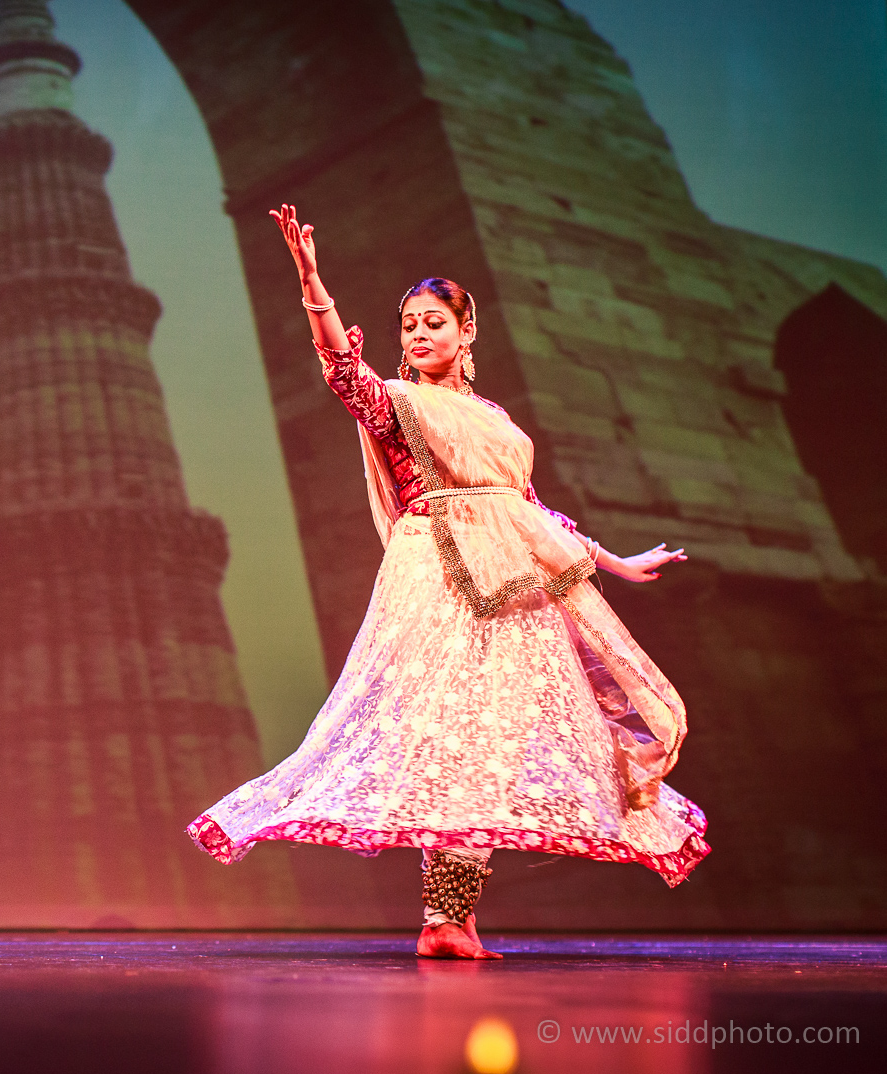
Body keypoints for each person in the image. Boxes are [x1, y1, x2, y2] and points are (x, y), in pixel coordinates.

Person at [186, 204, 709, 959]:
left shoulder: (494, 419)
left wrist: (619, 562)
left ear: (467, 332)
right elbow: (344, 375)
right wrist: (312, 284)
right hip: (434, 576)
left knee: (488, 741)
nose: (419, 335)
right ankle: (442, 919)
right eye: (409, 327)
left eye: (434, 322)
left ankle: (450, 922)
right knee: (441, 734)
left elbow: (529, 513)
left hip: (514, 585)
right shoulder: (397, 406)